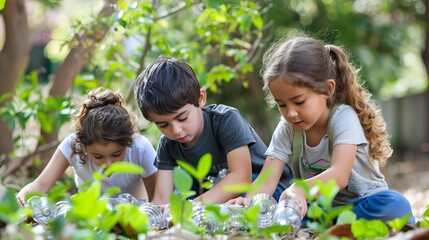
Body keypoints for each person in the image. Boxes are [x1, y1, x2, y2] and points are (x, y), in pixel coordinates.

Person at [227, 35, 415, 224]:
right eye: (281, 104)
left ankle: (337, 225)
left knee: (396, 204)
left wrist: (299, 189)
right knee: (260, 192)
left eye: (299, 102)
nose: (291, 113)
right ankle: (327, 225)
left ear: (327, 89)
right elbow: (267, 179)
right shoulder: (288, 127)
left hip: (361, 203)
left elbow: (340, 175)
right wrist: (249, 200)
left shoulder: (343, 117)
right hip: (320, 210)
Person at [133, 57, 293, 205]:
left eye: (182, 118)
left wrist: (193, 206)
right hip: (212, 198)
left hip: (261, 189)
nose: (176, 131)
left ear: (201, 98)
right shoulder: (168, 145)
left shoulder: (225, 120)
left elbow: (240, 178)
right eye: (163, 125)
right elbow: (162, 198)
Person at [16, 88, 158, 205]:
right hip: (91, 217)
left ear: (128, 143)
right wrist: (22, 198)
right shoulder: (72, 145)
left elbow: (158, 200)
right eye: (98, 156)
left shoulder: (140, 148)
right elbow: (40, 185)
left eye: (116, 154)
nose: (108, 163)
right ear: (83, 147)